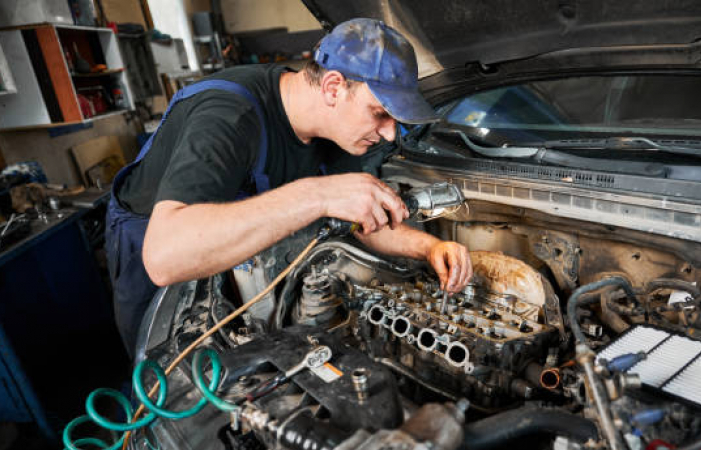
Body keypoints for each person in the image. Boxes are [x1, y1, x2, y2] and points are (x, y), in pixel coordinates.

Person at [106, 18, 473, 353]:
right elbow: (165, 257)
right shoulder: (229, 115)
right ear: (333, 87)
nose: (390, 133)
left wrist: (430, 247)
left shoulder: (340, 135)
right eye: (380, 113)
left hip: (241, 258)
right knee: (161, 380)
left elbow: (363, 223)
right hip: (153, 242)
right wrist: (318, 195)